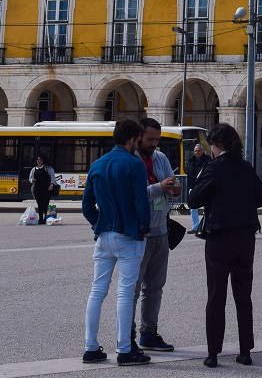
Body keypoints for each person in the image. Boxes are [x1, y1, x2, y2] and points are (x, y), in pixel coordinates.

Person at [187, 122, 262, 368]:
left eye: (211, 145)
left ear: (217, 145)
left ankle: (213, 353)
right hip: (245, 237)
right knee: (243, 296)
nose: (210, 150)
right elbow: (261, 197)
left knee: (216, 295)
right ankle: (245, 351)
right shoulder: (245, 167)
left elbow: (193, 200)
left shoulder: (214, 167)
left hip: (220, 237)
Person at [81, 117, 152, 367]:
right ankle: (124, 350)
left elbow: (87, 205)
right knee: (124, 292)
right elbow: (142, 203)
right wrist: (144, 226)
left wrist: (98, 224)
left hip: (104, 236)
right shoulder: (134, 164)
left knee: (97, 291)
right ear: (132, 139)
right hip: (129, 235)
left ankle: (91, 347)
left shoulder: (97, 164)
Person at [131, 118, 181, 354]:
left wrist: (175, 188)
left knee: (155, 287)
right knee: (132, 287)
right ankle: (128, 335)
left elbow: (171, 183)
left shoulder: (160, 158)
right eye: (150, 139)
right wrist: (159, 188)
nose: (154, 144)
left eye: (157, 140)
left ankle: (149, 333)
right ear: (138, 137)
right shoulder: (131, 160)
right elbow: (133, 195)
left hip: (161, 230)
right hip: (139, 233)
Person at [30, 154, 56, 226]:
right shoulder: (34, 169)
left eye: (40, 160)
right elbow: (30, 178)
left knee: (45, 203)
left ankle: (46, 218)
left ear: (43, 161)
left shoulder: (47, 168)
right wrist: (32, 180)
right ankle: (40, 218)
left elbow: (52, 176)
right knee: (39, 203)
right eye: (37, 160)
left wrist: (51, 184)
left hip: (46, 188)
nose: (38, 161)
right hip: (37, 188)